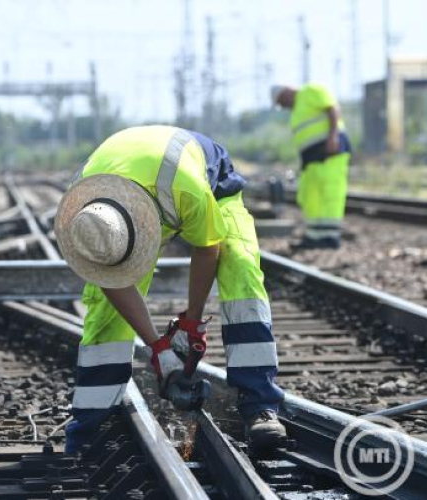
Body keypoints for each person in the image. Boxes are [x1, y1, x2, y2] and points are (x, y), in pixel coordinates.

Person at [55, 126, 286, 455]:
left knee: (240, 269)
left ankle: (261, 406)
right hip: (128, 200)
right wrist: (159, 347)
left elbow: (208, 248)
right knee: (105, 312)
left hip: (207, 187)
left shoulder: (188, 190)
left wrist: (192, 325)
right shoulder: (88, 219)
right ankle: (91, 425)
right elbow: (111, 281)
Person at [272, 84, 351, 249]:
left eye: (281, 102)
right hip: (312, 158)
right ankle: (314, 236)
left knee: (330, 193)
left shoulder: (311, 91)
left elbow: (333, 109)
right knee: (311, 195)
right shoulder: (297, 109)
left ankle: (330, 238)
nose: (283, 107)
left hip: (331, 151)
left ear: (286, 92)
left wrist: (333, 137)